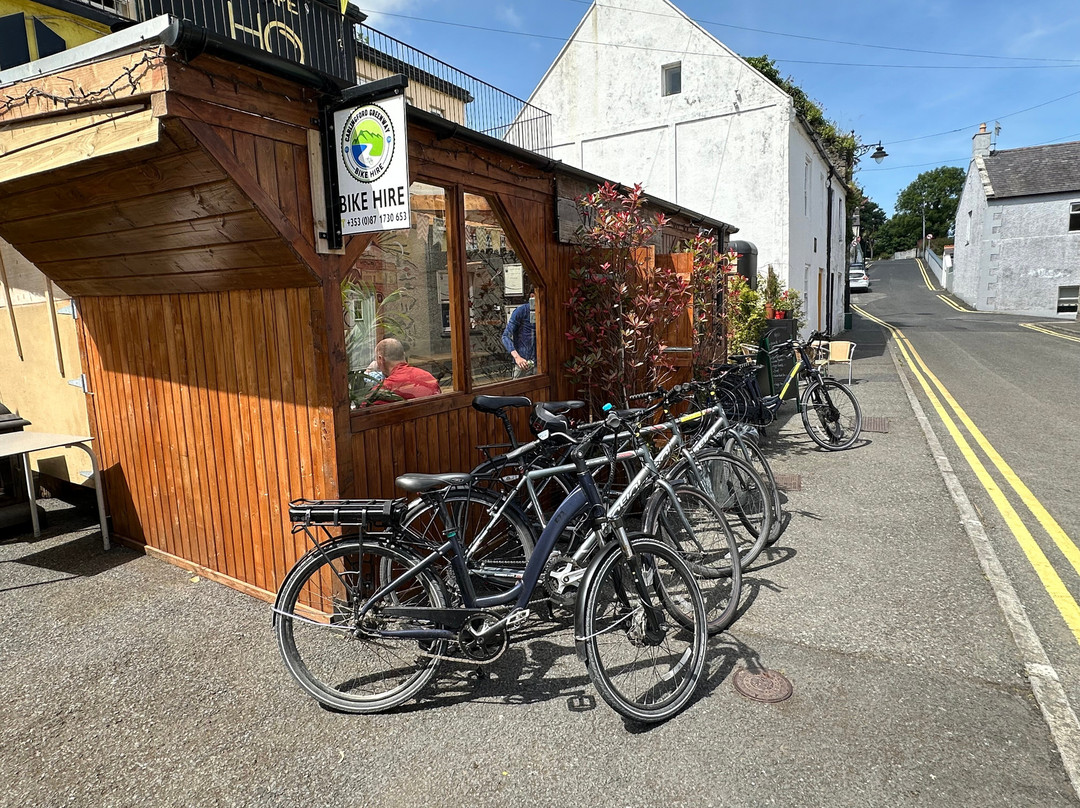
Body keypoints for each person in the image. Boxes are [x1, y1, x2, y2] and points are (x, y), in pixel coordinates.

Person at [366, 338, 440, 404]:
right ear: (404, 355)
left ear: (380, 359)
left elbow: (363, 411)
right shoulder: (428, 377)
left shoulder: (385, 389)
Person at [500, 292, 536, 378]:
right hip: (523, 362)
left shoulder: (546, 311)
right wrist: (517, 357)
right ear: (532, 296)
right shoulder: (522, 311)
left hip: (540, 362)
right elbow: (505, 336)